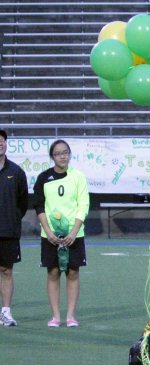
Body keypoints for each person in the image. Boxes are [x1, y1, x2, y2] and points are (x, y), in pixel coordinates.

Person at [34, 139, 90, 328]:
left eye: (65, 152)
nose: (62, 156)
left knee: (73, 272)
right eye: (58, 153)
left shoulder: (78, 176)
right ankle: (56, 316)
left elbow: (83, 204)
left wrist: (74, 231)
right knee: (53, 272)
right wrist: (48, 231)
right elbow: (39, 206)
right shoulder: (43, 178)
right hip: (50, 235)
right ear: (52, 157)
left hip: (74, 234)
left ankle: (71, 316)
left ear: (70, 154)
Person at [0, 129, 28, 327]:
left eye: (1, 141)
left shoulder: (16, 172)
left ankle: (6, 312)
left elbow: (23, 202)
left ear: (6, 144)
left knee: (6, 270)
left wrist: (13, 218)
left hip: (8, 231)